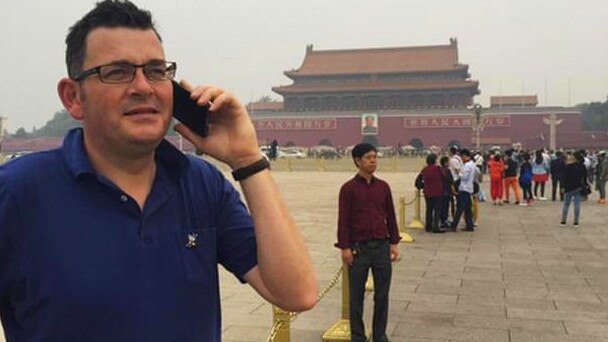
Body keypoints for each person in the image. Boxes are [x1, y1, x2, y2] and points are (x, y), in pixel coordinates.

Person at [0, 1, 317, 341]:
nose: (143, 87)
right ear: (74, 96)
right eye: (118, 72)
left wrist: (247, 160)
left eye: (155, 71)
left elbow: (296, 293)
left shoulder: (202, 184)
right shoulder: (17, 192)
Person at [336, 143, 400, 342]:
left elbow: (390, 215)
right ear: (357, 161)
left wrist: (394, 242)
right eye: (368, 157)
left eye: (375, 157)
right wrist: (344, 247)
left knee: (382, 296)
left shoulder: (383, 187)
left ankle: (379, 335)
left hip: (381, 247)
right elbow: (343, 220)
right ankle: (357, 336)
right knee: (356, 298)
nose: (373, 160)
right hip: (358, 250)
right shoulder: (348, 189)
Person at [449, 149, 475, 231]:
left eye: (461, 156)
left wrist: (459, 173)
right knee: (468, 209)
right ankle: (470, 225)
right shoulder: (472, 164)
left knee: (459, 209)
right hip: (469, 189)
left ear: (465, 156)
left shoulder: (467, 165)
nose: (461, 158)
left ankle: (454, 225)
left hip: (464, 189)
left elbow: (464, 177)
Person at [420, 153, 446, 233]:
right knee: (437, 210)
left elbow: (421, 178)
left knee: (429, 209)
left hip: (427, 192)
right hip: (437, 192)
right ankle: (435, 227)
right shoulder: (437, 168)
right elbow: (444, 177)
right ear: (434, 161)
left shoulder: (424, 169)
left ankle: (428, 226)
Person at [561, 152, 586, 226]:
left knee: (566, 204)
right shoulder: (582, 166)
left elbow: (565, 178)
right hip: (578, 187)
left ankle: (563, 221)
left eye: (572, 155)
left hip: (569, 187)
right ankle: (576, 222)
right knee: (577, 204)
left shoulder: (569, 166)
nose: (571, 156)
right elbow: (584, 178)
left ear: (575, 157)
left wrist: (563, 186)